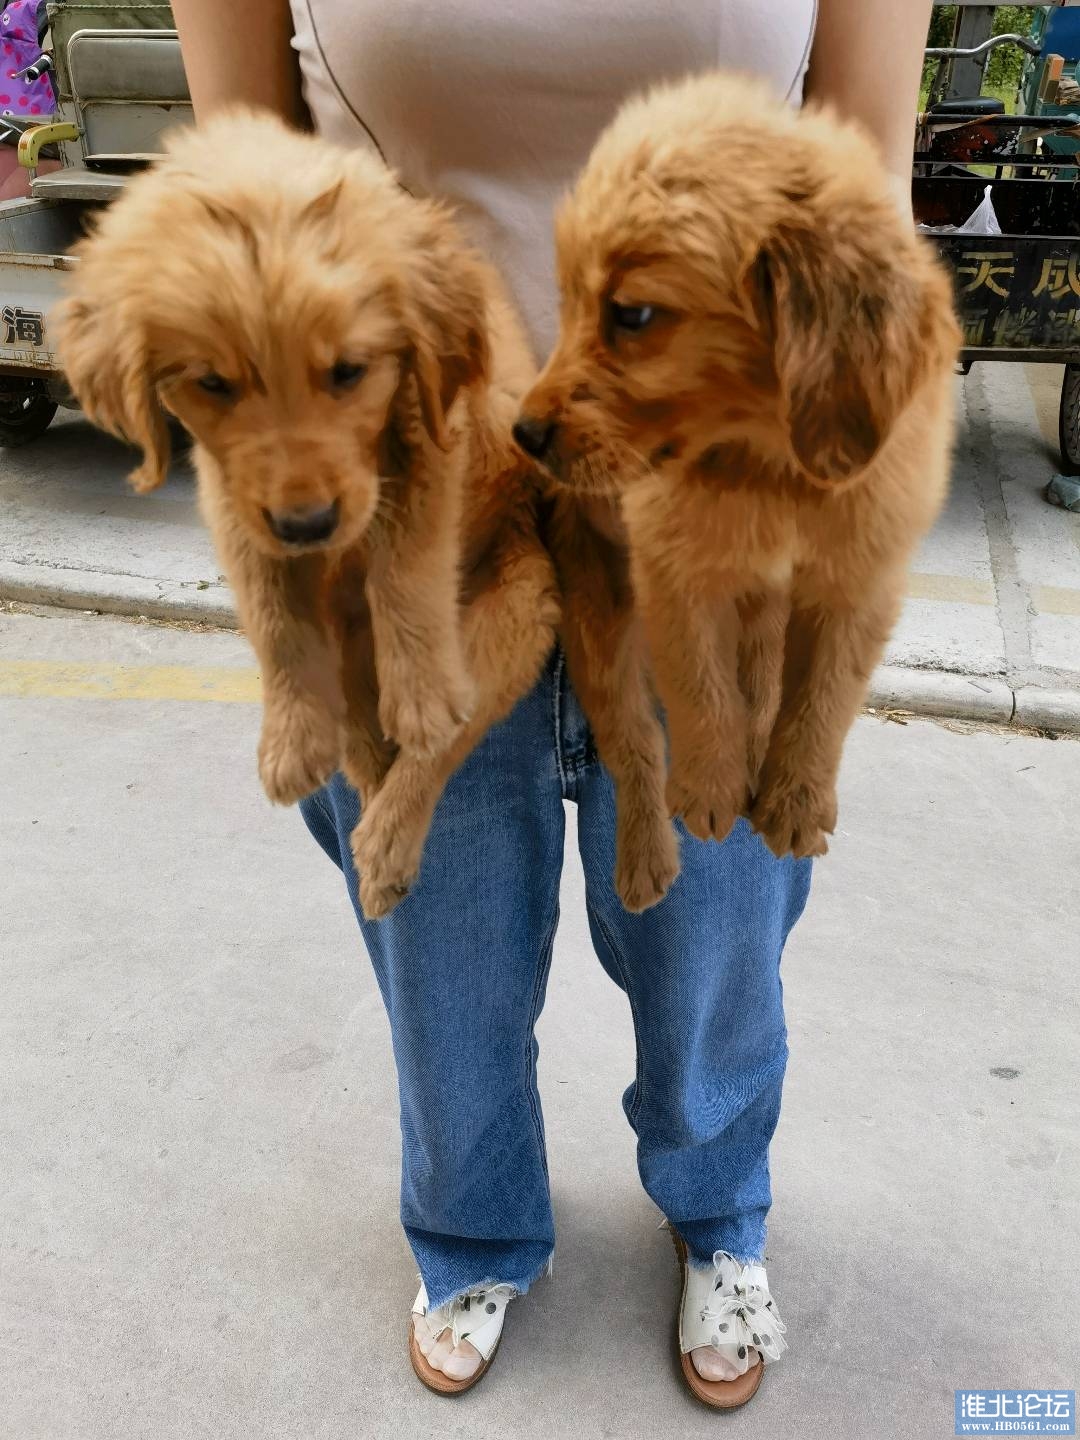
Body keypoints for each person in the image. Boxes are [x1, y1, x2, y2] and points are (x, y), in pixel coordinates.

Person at [172, 0, 934, 1404]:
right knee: (441, 946)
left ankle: (719, 1210)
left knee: (715, 935)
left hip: (715, 495)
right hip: (429, 504)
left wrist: (837, 502)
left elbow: (869, 167)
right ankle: (470, 1229)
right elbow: (241, 183)